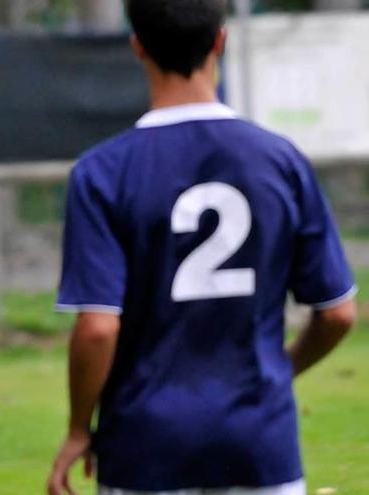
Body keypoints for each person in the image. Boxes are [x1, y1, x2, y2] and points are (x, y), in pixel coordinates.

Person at [46, 1, 356, 494]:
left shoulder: (102, 172)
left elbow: (99, 327)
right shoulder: (281, 160)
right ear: (220, 41)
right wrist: (281, 369)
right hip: (262, 442)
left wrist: (79, 428)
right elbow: (337, 314)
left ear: (138, 47)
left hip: (144, 445)